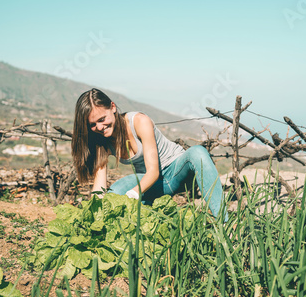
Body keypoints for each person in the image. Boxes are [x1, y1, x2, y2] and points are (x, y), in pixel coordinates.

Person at [71, 88, 226, 219]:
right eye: (93, 124)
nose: (99, 127)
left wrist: (133, 194)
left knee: (198, 152)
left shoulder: (138, 121)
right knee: (114, 191)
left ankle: (223, 223)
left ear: (112, 107)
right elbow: (100, 188)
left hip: (175, 173)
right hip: (152, 185)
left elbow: (153, 171)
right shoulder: (101, 142)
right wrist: (94, 215)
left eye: (102, 119)